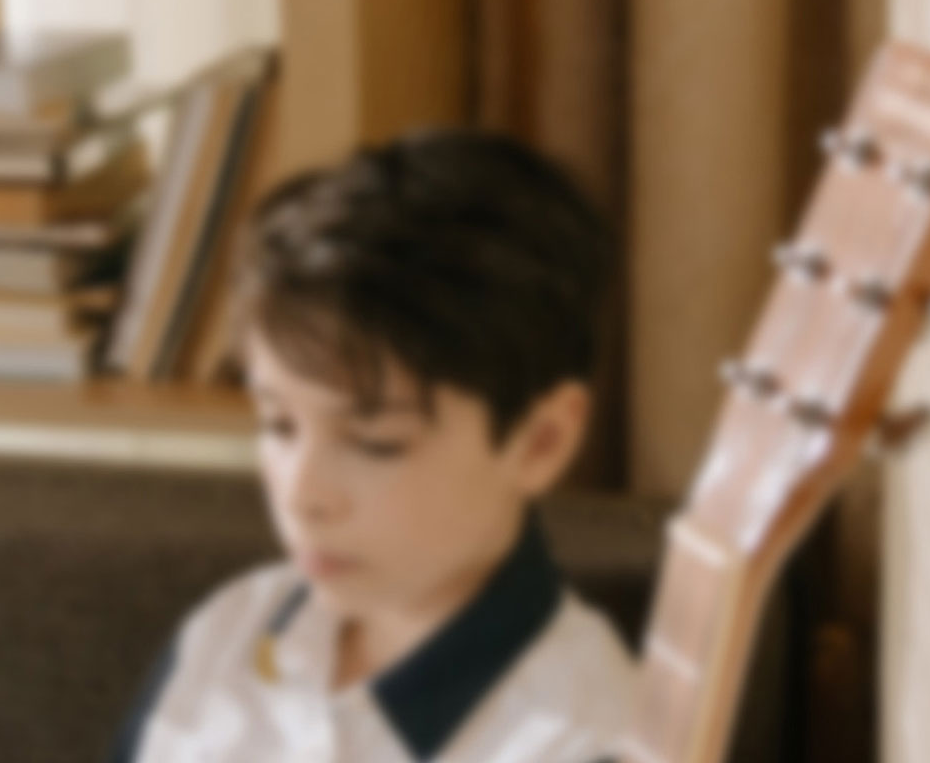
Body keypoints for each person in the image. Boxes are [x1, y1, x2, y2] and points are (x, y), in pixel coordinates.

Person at [109, 130, 636, 763]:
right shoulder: (226, 634)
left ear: (541, 443)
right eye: (279, 425)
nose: (302, 496)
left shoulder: (585, 739)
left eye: (374, 444)